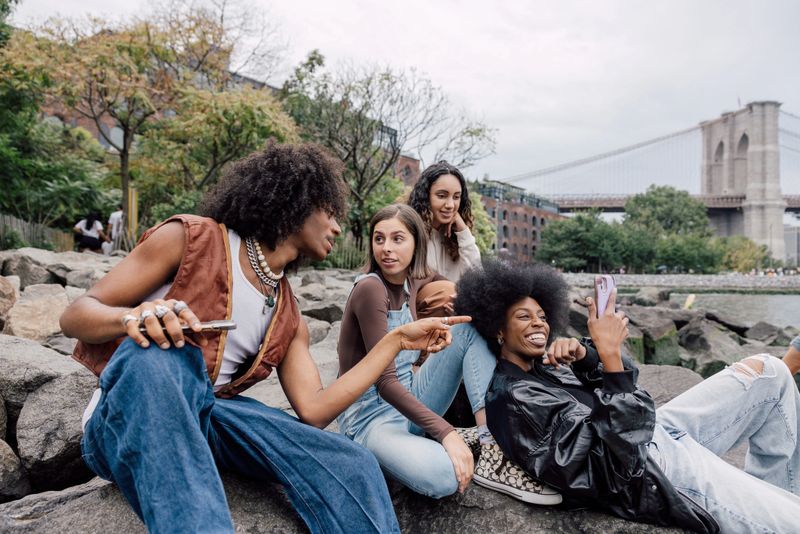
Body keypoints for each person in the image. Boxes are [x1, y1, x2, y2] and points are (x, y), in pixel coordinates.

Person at [60, 143, 469, 534]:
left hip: (210, 416)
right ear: (296, 202)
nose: (338, 226)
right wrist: (134, 316)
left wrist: (394, 342)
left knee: (351, 460)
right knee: (168, 356)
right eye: (329, 211)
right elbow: (76, 314)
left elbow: (314, 411)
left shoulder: (288, 313)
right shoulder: (192, 238)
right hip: (128, 411)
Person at [457, 260, 800, 532]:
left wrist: (587, 357)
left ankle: (772, 499)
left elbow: (629, 393)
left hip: (657, 434)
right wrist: (609, 355)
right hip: (655, 470)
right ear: (498, 329)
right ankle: (769, 510)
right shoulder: (515, 399)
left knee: (770, 371)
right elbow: (607, 468)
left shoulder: (538, 370)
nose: (539, 324)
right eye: (523, 317)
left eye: (543, 316)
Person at [336, 204, 560, 504]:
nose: (386, 249)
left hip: (411, 396)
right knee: (446, 476)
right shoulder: (370, 289)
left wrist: (434, 340)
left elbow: (470, 278)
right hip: (372, 418)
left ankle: (488, 441)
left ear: (416, 243)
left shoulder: (409, 282)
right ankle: (452, 439)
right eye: (379, 239)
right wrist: (446, 433)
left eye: (397, 239)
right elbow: (385, 382)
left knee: (467, 328)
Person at [407, 161, 481, 283]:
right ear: (426, 196)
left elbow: (477, 280)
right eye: (442, 196)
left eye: (456, 197)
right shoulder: (409, 233)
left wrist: (463, 231)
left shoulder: (459, 239)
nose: (450, 205)